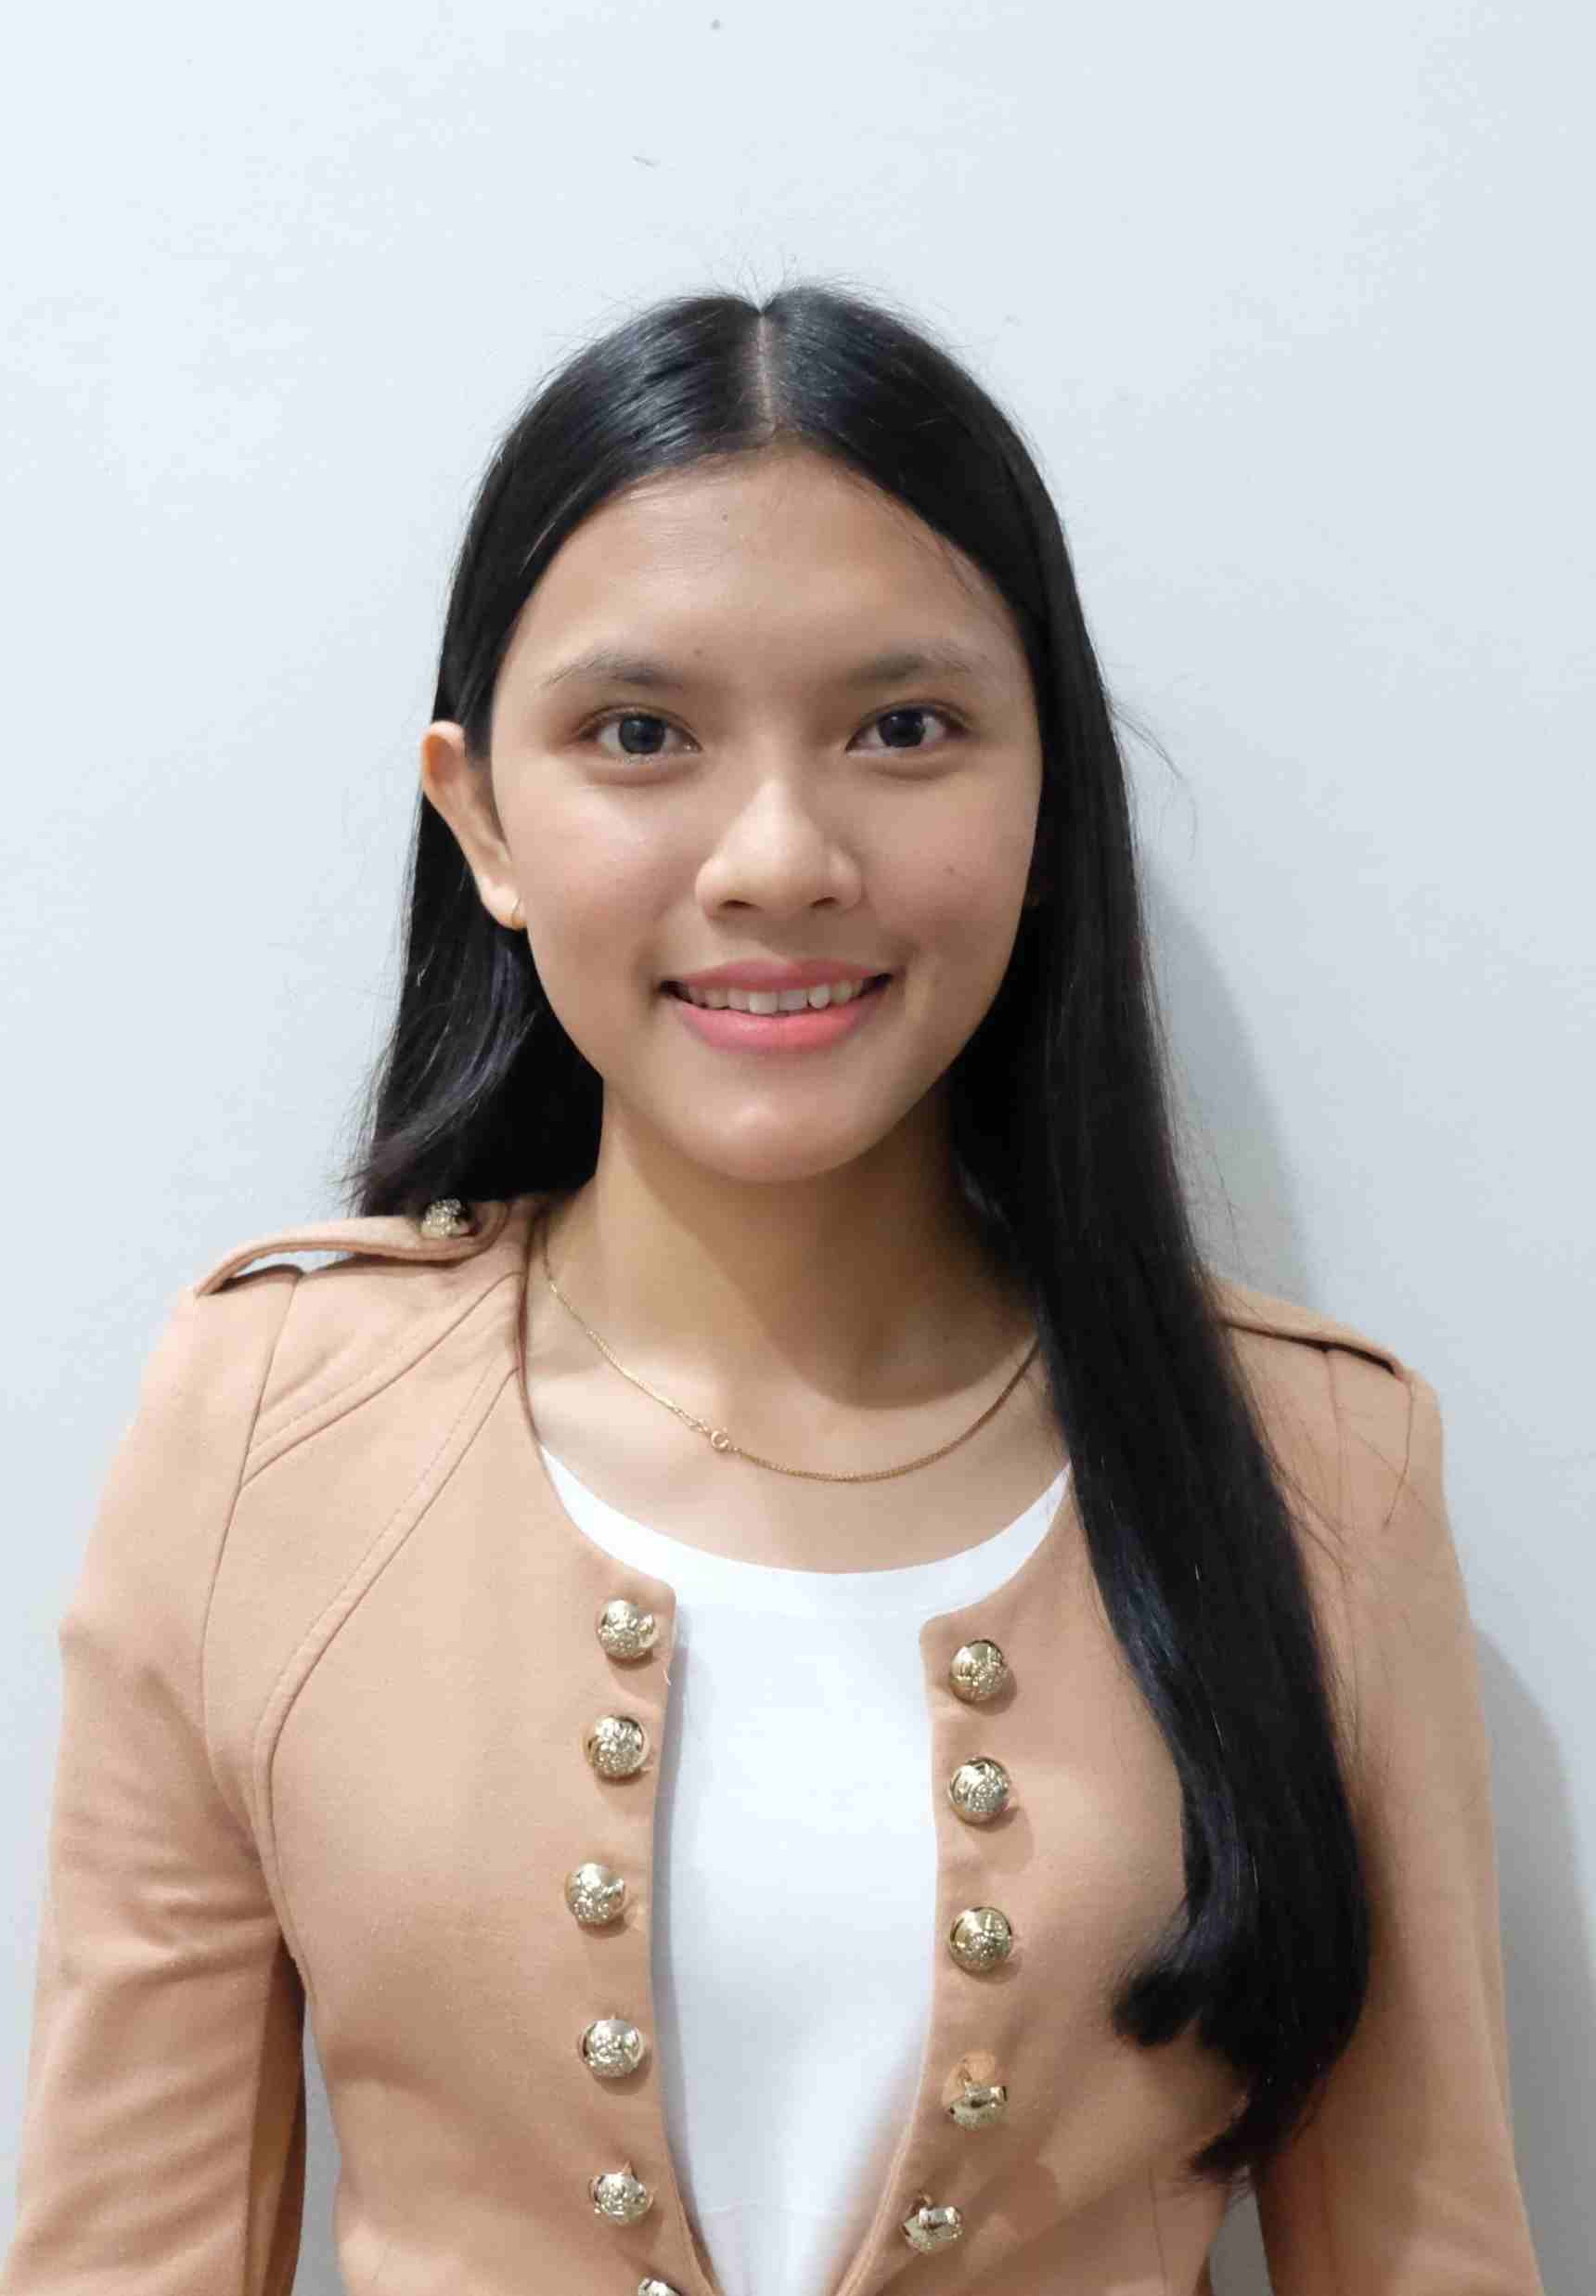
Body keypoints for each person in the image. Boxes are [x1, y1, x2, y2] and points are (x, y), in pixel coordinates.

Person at [0, 283, 1545, 2296]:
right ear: (481, 816)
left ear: (1049, 797)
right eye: (639, 735)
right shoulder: (262, 1424)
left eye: (903, 729)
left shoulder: (1321, 1468)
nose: (778, 857)